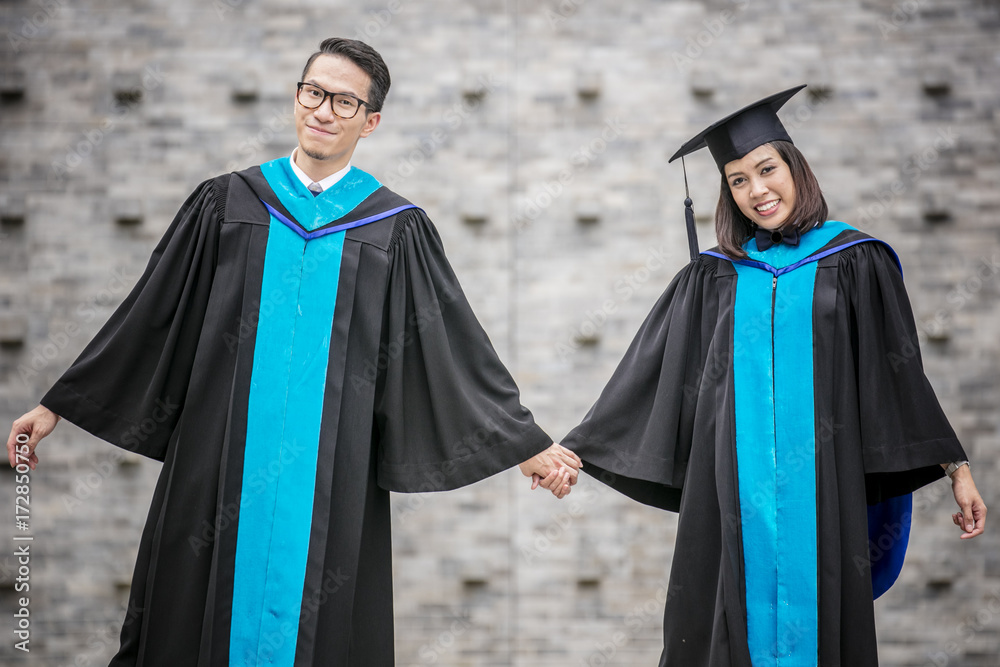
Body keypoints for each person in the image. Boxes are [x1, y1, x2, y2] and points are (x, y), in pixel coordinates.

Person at [6, 38, 581, 666]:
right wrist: (59, 404)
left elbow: (447, 350)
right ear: (297, 96)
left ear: (371, 121)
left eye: (344, 101)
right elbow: (151, 313)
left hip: (331, 481)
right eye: (314, 92)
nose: (324, 110)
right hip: (215, 467)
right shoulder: (225, 204)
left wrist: (524, 447)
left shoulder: (393, 228)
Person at [561, 85, 987, 666]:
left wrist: (955, 468)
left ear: (795, 168)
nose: (757, 190)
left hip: (822, 490)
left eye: (767, 170)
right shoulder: (713, 276)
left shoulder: (855, 260)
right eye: (738, 180)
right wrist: (576, 451)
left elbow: (899, 377)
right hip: (729, 495)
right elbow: (651, 373)